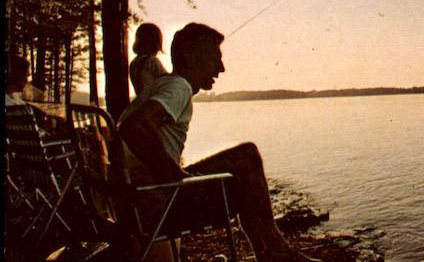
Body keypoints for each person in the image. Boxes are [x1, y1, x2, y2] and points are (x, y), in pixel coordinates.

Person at [118, 23, 321, 262]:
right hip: (160, 207)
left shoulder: (160, 86)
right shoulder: (178, 87)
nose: (222, 68)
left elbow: (129, 127)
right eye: (216, 58)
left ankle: (270, 252)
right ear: (195, 58)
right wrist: (175, 175)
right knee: (247, 157)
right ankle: (274, 252)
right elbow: (134, 127)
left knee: (241, 171)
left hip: (140, 202)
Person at [129, 22, 167, 96]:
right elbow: (168, 81)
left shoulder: (134, 63)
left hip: (142, 102)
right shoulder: (152, 61)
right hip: (154, 101)